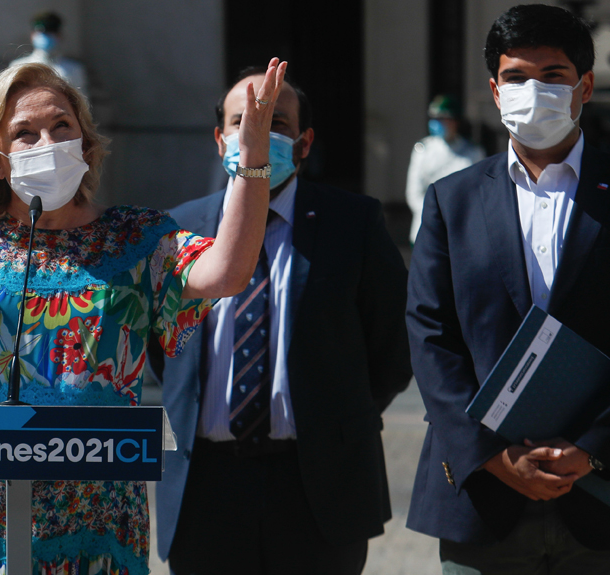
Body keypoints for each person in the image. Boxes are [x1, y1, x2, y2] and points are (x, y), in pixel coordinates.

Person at [0, 59, 286, 573]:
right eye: (25, 133)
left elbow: (227, 274)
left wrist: (252, 163)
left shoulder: (137, 238)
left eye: (62, 125)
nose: (48, 142)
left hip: (97, 521)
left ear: (85, 142)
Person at [152, 67, 411, 575]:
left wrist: (331, 414)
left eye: (276, 122)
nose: (257, 134)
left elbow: (392, 347)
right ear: (219, 138)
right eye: (244, 120)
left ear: (304, 142)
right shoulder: (176, 227)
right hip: (206, 487)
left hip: (317, 485)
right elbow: (165, 352)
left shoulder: (353, 223)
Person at [406, 5, 610, 573]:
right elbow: (430, 336)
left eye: (553, 76)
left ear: (584, 86)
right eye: (517, 77)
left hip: (599, 500)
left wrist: (593, 446)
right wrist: (492, 456)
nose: (534, 90)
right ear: (496, 92)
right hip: (481, 497)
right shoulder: (452, 200)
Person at [404, 94, 484, 243]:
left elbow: (477, 192)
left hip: (461, 230)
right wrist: (434, 215)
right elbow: (413, 192)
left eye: (443, 119)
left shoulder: (473, 152)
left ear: (455, 121)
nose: (437, 123)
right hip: (426, 229)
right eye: (434, 119)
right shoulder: (423, 149)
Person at [9, 11, 88, 92]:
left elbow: (82, 101)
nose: (45, 36)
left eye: (50, 33)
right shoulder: (18, 66)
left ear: (59, 36)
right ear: (32, 35)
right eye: (41, 32)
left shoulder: (73, 69)